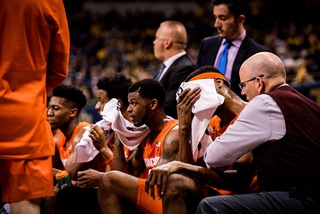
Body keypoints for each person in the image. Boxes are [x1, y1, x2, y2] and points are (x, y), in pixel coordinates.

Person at [196, 52, 320, 214]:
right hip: (309, 195)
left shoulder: (264, 103)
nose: (243, 93)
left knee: (209, 206)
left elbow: (214, 158)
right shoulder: (310, 104)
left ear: (259, 82)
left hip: (301, 199)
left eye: (244, 86)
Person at [144, 66, 255, 214]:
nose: (193, 102)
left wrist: (180, 166)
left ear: (218, 83)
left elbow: (240, 182)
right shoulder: (210, 123)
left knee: (175, 183)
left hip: (247, 195)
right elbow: (185, 171)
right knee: (175, 181)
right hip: (217, 193)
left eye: (196, 93)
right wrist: (184, 126)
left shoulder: (251, 113)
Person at [0, 0, 69, 213]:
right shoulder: (49, 1)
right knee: (26, 200)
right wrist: (31, 91)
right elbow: (58, 68)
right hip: (26, 118)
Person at [53, 73, 133, 214]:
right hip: (112, 190)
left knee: (65, 194)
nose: (96, 106)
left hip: (133, 195)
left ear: (117, 104)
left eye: (101, 101)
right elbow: (111, 175)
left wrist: (100, 174)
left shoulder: (134, 131)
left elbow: (125, 178)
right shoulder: (109, 130)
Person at [97, 78, 180, 214]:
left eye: (134, 103)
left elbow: (157, 184)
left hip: (163, 198)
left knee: (107, 180)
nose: (129, 109)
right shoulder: (146, 134)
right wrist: (118, 131)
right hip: (149, 195)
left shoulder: (173, 132)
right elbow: (124, 175)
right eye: (129, 104)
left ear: (153, 104)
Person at [195, 0, 269, 100]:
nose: (216, 24)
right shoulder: (206, 45)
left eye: (222, 18)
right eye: (215, 18)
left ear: (240, 19)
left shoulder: (258, 54)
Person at [153, 20, 195, 119]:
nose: (154, 42)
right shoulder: (165, 69)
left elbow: (169, 107)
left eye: (157, 38)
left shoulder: (184, 68)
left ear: (167, 42)